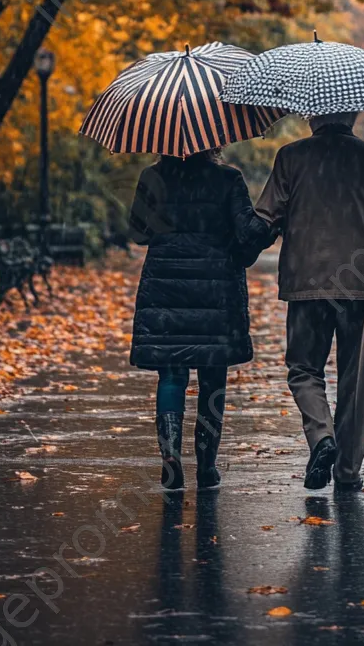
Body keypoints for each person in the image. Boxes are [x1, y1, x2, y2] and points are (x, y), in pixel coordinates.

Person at [255, 112, 364, 491]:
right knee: (355, 380)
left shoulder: (290, 156)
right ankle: (347, 473)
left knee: (304, 369)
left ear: (312, 115)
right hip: (362, 282)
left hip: (307, 281)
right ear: (353, 115)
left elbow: (266, 215)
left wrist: (241, 240)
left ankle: (322, 436)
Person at [129, 148, 274, 491]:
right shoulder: (228, 179)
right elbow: (246, 232)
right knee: (213, 380)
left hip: (165, 288)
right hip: (216, 291)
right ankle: (206, 466)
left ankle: (170, 454)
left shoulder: (153, 177)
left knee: (171, 373)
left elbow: (138, 234)